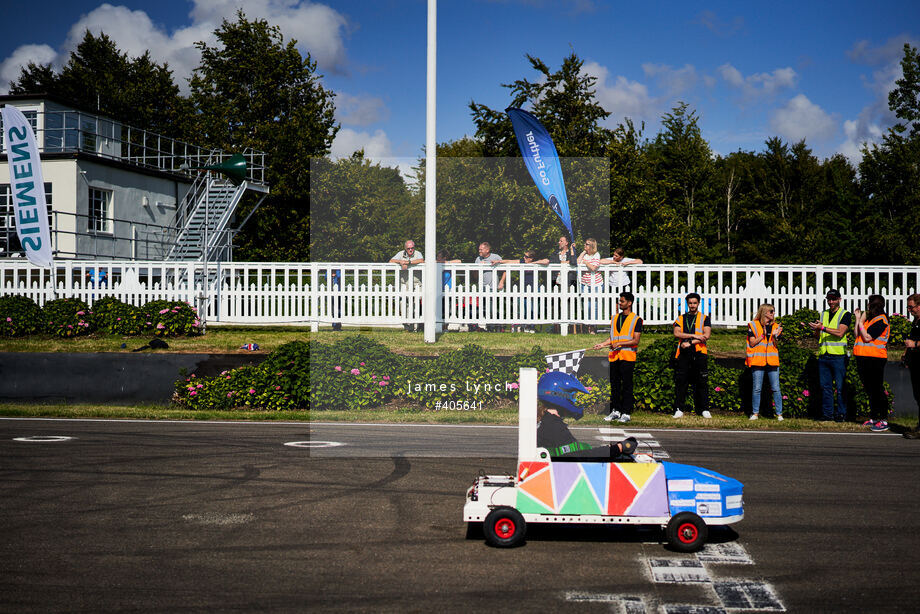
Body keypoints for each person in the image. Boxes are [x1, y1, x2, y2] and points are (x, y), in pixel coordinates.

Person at [537, 371, 637, 460]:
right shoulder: (554, 426)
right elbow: (580, 456)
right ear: (560, 395)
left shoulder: (547, 421)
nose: (575, 400)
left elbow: (576, 452)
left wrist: (610, 449)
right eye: (573, 396)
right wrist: (618, 448)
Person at [593, 291, 642, 424]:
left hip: (627, 356)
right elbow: (613, 337)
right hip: (614, 357)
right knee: (614, 385)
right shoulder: (615, 318)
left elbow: (635, 340)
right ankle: (616, 410)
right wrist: (602, 344)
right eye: (619, 301)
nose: (619, 303)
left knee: (626, 385)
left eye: (622, 301)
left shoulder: (636, 320)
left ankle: (626, 412)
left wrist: (619, 343)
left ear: (629, 303)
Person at [808, 289, 852, 421]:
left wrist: (821, 328)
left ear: (839, 299)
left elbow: (840, 333)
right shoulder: (823, 314)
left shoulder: (845, 314)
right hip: (824, 355)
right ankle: (828, 414)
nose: (831, 302)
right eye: (829, 299)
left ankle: (841, 414)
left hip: (838, 356)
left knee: (840, 387)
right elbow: (818, 336)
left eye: (833, 299)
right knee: (825, 387)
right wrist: (816, 329)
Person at [853, 295, 890, 432]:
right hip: (863, 357)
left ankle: (883, 419)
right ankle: (874, 417)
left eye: (870, 304)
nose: (868, 307)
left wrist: (862, 323)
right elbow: (857, 333)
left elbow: (868, 337)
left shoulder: (881, 320)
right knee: (870, 389)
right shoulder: (870, 319)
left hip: (875, 359)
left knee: (877, 389)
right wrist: (858, 320)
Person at [672, 292, 712, 419]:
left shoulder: (705, 318)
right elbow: (677, 333)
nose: (692, 305)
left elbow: (706, 336)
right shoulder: (681, 318)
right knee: (681, 382)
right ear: (687, 304)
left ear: (698, 303)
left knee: (701, 382)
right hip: (684, 353)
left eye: (695, 303)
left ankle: (704, 409)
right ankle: (679, 409)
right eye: (690, 303)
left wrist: (690, 342)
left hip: (699, 353)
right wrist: (693, 335)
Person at [746, 304, 783, 421]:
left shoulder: (776, 326)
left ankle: (779, 414)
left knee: (776, 388)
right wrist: (763, 334)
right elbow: (752, 343)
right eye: (771, 311)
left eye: (774, 311)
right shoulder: (753, 325)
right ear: (764, 312)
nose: (773, 314)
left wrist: (776, 336)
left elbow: (777, 345)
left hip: (772, 361)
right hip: (758, 360)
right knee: (757, 388)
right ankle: (755, 413)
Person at [498, 250, 549, 332]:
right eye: (524, 256)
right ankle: (525, 326)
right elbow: (510, 261)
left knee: (533, 309)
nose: (524, 257)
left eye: (526, 256)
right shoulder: (522, 262)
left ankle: (531, 326)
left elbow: (546, 261)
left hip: (534, 289)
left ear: (531, 258)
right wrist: (499, 261)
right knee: (524, 309)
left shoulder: (536, 263)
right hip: (523, 289)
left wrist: (533, 264)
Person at [390, 240, 424, 332]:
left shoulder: (418, 253)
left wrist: (408, 263)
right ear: (405, 248)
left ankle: (416, 325)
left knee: (416, 303)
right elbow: (391, 261)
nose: (410, 250)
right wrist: (400, 261)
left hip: (416, 284)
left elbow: (421, 260)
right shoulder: (400, 254)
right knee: (403, 303)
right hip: (404, 284)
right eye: (408, 248)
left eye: (412, 248)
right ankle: (407, 325)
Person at [902, 294, 920, 439]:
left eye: (911, 307)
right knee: (918, 396)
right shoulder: (916, 321)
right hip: (915, 362)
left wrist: (915, 345)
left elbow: (915, 342)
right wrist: (906, 353)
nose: (909, 309)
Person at [578, 238, 604, 334]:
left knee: (594, 305)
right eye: (585, 244)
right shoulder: (585, 255)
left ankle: (593, 327)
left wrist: (585, 262)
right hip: (585, 284)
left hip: (595, 283)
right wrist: (583, 253)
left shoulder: (596, 255)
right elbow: (577, 263)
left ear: (592, 246)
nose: (585, 245)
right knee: (587, 306)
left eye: (587, 244)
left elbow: (593, 268)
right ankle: (588, 325)